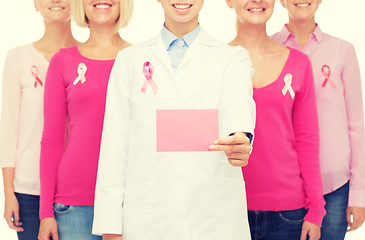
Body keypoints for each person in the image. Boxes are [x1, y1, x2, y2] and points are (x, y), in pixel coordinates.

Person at [92, 0, 256, 239]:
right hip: (148, 221)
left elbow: (238, 102)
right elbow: (114, 149)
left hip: (212, 221)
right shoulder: (129, 61)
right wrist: (110, 227)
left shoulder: (232, 58)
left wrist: (240, 136)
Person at [225, 0, 326, 239]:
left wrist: (315, 210)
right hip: (228, 207)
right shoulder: (213, 63)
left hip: (288, 214)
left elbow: (307, 141)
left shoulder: (299, 64)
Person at [37, 0, 133, 240]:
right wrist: (45, 212)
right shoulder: (63, 61)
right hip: (74, 204)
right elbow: (52, 139)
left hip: (131, 199)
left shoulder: (141, 59)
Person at [271, 0, 365, 239]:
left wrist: (359, 194)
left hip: (334, 188)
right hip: (283, 186)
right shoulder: (268, 47)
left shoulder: (342, 50)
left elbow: (356, 125)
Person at [0, 0, 78, 239]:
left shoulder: (88, 58)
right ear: (35, 4)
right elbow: (8, 128)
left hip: (78, 188)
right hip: (29, 190)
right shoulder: (19, 58)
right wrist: (9, 192)